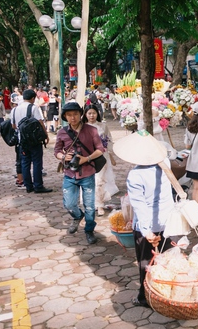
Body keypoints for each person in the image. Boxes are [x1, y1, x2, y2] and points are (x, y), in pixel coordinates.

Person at [112, 130, 182, 308]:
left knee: (147, 264)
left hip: (149, 228)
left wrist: (147, 231)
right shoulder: (164, 162)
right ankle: (170, 294)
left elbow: (140, 206)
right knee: (168, 261)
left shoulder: (135, 175)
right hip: (169, 222)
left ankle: (146, 298)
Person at [54, 102, 105, 244]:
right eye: (69, 115)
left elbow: (101, 149)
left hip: (87, 173)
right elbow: (57, 151)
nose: (73, 117)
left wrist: (86, 159)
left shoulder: (91, 130)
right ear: (65, 116)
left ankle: (89, 230)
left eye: (75, 114)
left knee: (89, 206)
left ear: (80, 114)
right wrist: (63, 157)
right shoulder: (62, 132)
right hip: (69, 174)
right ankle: (77, 216)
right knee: (69, 204)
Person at [12, 89, 52, 194]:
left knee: (25, 163)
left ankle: (28, 186)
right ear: (33, 98)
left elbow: (13, 126)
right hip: (34, 141)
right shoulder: (33, 108)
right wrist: (45, 135)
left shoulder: (15, 110)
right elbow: (40, 122)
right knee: (37, 162)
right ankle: (38, 185)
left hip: (22, 141)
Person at [83, 105, 118, 216]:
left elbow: (109, 139)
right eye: (89, 113)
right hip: (87, 157)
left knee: (100, 181)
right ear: (85, 114)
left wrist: (109, 152)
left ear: (97, 114)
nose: (92, 115)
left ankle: (100, 205)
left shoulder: (103, 125)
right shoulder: (82, 127)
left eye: (94, 113)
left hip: (102, 157)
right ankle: (90, 204)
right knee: (89, 181)